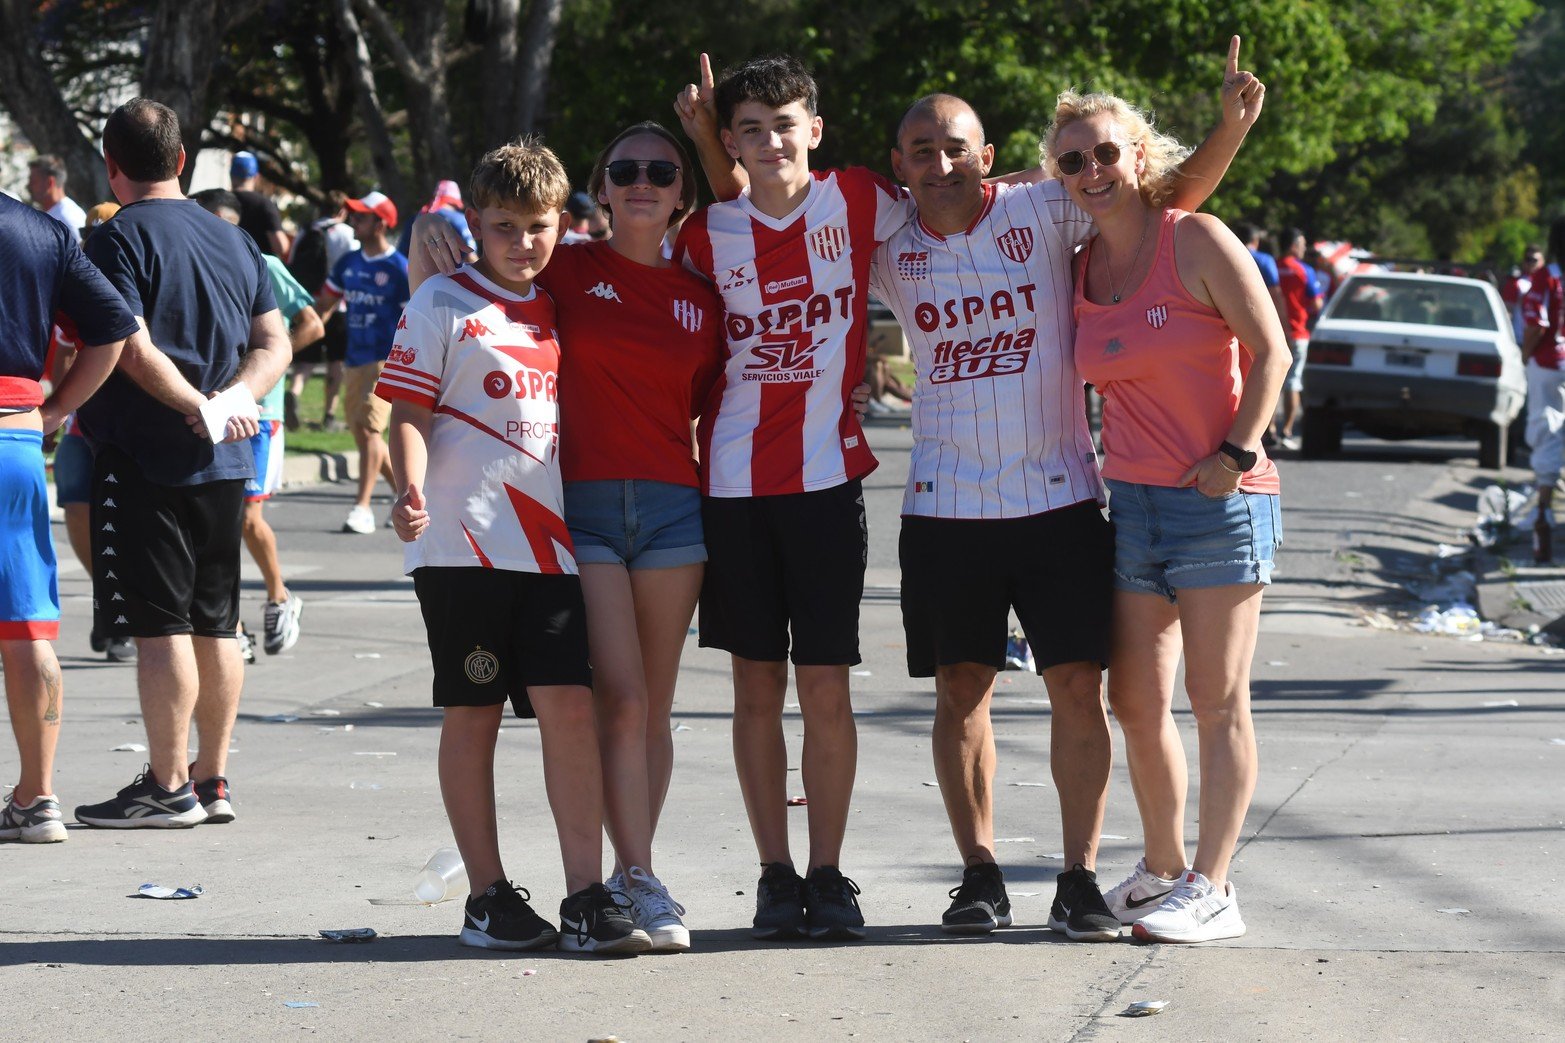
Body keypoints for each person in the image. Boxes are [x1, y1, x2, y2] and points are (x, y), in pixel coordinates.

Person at [866, 38, 1260, 941]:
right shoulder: (885, 243)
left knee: (1078, 686)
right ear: (899, 165)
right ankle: (978, 875)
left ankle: (1078, 876)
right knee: (959, 689)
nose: (940, 164)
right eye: (921, 151)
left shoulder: (1043, 209)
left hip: (1059, 500)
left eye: (955, 148)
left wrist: (1228, 130)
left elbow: (1161, 198)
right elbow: (767, 210)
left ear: (986, 155)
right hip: (944, 504)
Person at [416, 121, 722, 952]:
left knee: (644, 705)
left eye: (661, 170)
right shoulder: (565, 266)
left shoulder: (701, 293)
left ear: (683, 191)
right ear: (601, 187)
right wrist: (425, 233)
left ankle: (629, 877)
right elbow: (468, 261)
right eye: (624, 169)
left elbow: (713, 398)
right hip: (569, 510)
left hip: (669, 506)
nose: (642, 180)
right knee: (612, 696)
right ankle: (592, 883)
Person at [672, 52, 924, 941]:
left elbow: (968, 192)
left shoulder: (858, 198)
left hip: (825, 486)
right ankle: (774, 874)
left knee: (824, 686)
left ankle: (827, 871)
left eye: (785, 126)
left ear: (813, 130)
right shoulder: (703, 236)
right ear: (731, 139)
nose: (770, 142)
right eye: (750, 129)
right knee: (754, 688)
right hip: (730, 488)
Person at [380, 138, 650, 955]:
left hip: (547, 549)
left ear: (560, 222)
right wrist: (407, 487)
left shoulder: (558, 301)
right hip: (459, 547)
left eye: (537, 226)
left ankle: (586, 896)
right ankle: (487, 896)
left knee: (570, 706)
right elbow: (406, 412)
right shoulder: (441, 302)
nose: (522, 243)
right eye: (503, 226)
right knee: (475, 712)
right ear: (476, 222)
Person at [1047, 88, 1291, 944]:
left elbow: (1271, 352)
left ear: (1139, 155)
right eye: (1071, 159)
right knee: (1135, 700)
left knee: (1215, 700)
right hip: (1134, 506)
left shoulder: (1194, 238)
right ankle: (1160, 869)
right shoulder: (1078, 262)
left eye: (1105, 152)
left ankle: (1214, 887)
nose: (1090, 170)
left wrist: (1234, 454)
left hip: (1219, 501)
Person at [72, 98, 291, 829]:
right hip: (225, 456)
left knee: (161, 624)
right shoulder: (234, 239)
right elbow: (275, 342)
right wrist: (230, 402)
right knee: (218, 621)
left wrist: (197, 404)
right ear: (181, 161)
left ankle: (168, 785)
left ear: (110, 165)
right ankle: (212, 777)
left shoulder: (115, 238)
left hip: (146, 454)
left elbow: (128, 346)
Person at [0, 193, 134, 843]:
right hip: (14, 436)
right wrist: (54, 412)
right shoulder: (38, 230)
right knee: (27, 624)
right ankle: (38, 797)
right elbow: (113, 327)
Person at [192, 189, 322, 654]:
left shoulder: (264, 264)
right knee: (214, 521)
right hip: (211, 409)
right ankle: (233, 625)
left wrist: (268, 360)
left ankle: (279, 598)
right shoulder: (196, 265)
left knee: (247, 518)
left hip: (261, 414)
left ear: (225, 222)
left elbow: (312, 324)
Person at [313, 191, 410, 533]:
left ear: (381, 224)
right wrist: (300, 335)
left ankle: (362, 508)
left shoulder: (400, 268)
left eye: (362, 216)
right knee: (364, 436)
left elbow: (413, 320)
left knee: (370, 431)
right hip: (354, 360)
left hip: (385, 362)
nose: (354, 221)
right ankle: (406, 496)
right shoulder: (348, 263)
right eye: (354, 215)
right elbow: (324, 305)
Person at [285, 192, 358, 431]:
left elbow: (292, 263)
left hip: (309, 305)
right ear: (342, 210)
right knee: (336, 360)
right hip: (338, 304)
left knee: (306, 358)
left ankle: (294, 392)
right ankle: (329, 415)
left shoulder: (306, 231)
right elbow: (355, 265)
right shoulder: (346, 233)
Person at [1520, 232, 1563, 563]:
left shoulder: (1547, 277)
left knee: (1545, 430)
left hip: (1549, 363)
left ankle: (1543, 512)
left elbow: (1536, 324)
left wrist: (1525, 355)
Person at [1275, 227, 1322, 451]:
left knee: (1268, 380)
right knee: (1292, 382)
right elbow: (1317, 304)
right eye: (1302, 245)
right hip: (1297, 332)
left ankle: (1268, 431)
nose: (1304, 249)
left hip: (1270, 331)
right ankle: (1286, 431)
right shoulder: (1304, 270)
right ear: (1294, 245)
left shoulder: (1271, 266)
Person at [396, 179, 477, 260]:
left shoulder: (414, 219)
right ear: (455, 202)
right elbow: (471, 256)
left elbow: (402, 256)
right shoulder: (459, 219)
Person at [230, 151, 289, 257]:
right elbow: (281, 246)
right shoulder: (264, 204)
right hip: (253, 264)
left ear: (231, 174)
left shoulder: (218, 199)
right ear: (256, 177)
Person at [27, 155, 87, 243]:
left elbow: (82, 250)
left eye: (33, 181)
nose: (28, 186)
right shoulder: (52, 214)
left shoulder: (68, 219)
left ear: (49, 182)